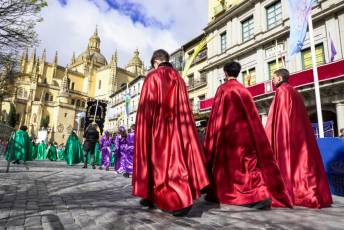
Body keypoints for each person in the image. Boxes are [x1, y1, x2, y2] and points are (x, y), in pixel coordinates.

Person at [204, 62, 292, 209]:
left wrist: (212, 137)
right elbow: (253, 117)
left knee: (226, 167)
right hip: (245, 136)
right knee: (246, 167)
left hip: (227, 136)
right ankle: (257, 194)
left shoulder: (222, 89)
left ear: (225, 73)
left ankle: (226, 194)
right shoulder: (244, 91)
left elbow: (216, 116)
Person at [133, 49, 209, 216]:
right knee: (177, 160)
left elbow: (146, 109)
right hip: (179, 127)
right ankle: (161, 195)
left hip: (158, 129)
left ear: (155, 62)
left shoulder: (152, 77)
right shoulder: (179, 79)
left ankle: (176, 199)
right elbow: (185, 108)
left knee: (160, 164)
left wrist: (144, 133)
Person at [265, 68, 332, 208]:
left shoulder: (282, 91)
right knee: (299, 164)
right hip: (299, 136)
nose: (272, 80)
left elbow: (281, 119)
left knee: (289, 163)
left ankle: (288, 192)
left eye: (274, 77)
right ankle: (300, 192)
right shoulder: (294, 91)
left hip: (286, 136)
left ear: (280, 78)